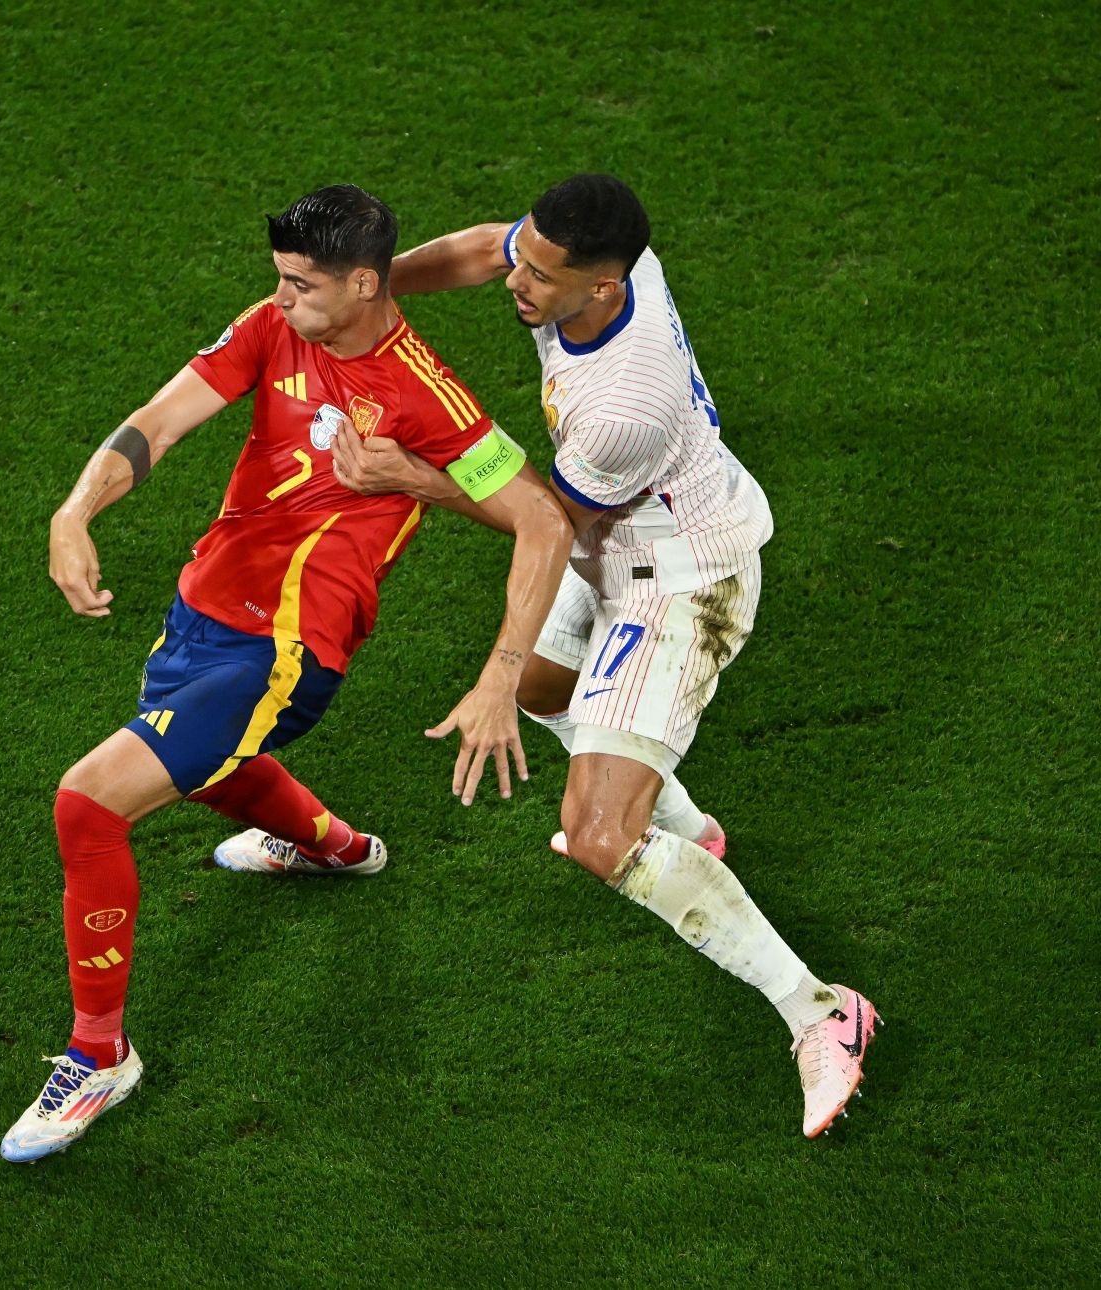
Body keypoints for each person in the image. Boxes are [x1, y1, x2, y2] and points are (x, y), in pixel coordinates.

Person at [0, 185, 573, 1162]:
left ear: (363, 283)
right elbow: (161, 420)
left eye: (301, 286)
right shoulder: (275, 326)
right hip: (206, 607)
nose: (283, 300)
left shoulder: (427, 398)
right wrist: (73, 511)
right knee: (214, 765)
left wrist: (498, 671)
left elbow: (543, 518)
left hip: (288, 651)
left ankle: (99, 1055)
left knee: (89, 807)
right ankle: (337, 848)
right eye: (279, 280)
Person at [324, 174, 879, 1137]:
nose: (516, 285)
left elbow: (543, 519)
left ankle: (824, 1013)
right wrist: (375, 290)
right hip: (622, 536)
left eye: (541, 277)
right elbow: (483, 247)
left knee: (596, 838)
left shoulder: (623, 406)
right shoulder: (594, 263)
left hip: (679, 579)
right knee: (549, 681)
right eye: (525, 261)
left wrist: (414, 475)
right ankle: (690, 829)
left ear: (606, 287)